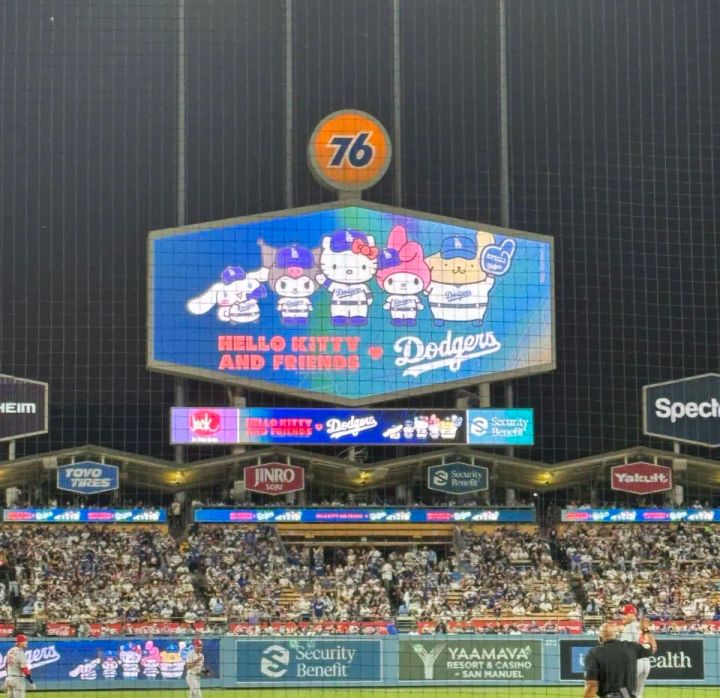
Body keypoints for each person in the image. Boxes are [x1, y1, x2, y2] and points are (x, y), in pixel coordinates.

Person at [583, 622, 656, 698]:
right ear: (616, 635)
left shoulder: (593, 653)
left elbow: (591, 684)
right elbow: (653, 647)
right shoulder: (630, 647)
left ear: (600, 638)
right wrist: (645, 629)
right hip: (628, 695)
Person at [619, 604, 652, 698]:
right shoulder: (642, 626)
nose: (622, 616)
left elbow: (626, 648)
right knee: (638, 694)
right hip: (646, 662)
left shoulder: (629, 627)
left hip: (635, 662)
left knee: (623, 689)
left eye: (624, 614)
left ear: (631, 614)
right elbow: (650, 642)